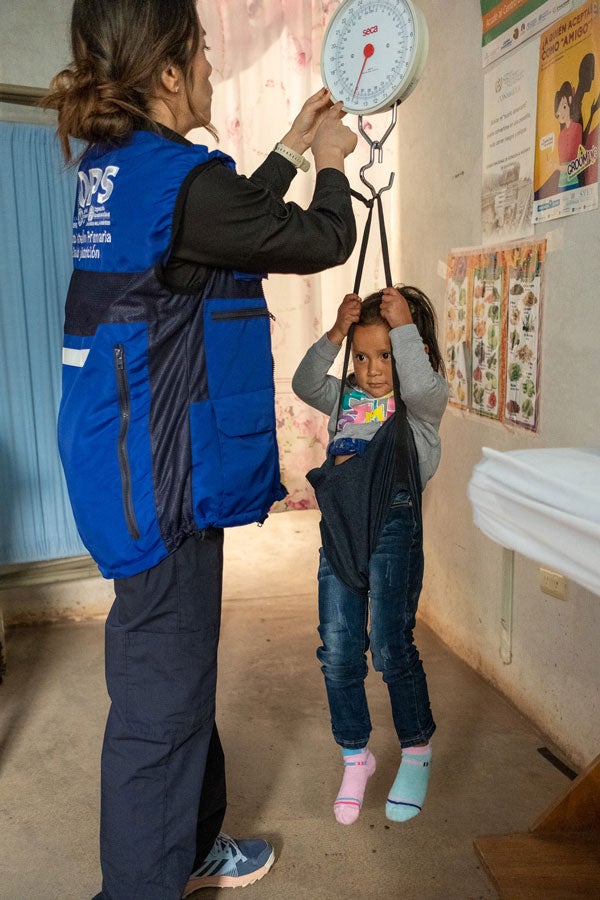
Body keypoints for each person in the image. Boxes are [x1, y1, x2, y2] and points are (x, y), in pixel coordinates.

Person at [44, 0, 357, 897]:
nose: (215, 69)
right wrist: (332, 164)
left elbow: (224, 217)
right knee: (158, 706)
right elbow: (314, 236)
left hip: (133, 457)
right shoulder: (180, 183)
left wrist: (294, 143)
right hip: (158, 473)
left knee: (177, 671)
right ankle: (140, 882)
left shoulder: (122, 169)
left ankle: (188, 847)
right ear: (170, 73)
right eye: (204, 52)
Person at [292, 285, 448, 825]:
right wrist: (337, 331)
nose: (374, 369)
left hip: (391, 526)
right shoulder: (343, 399)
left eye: (386, 356)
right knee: (338, 651)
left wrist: (403, 329)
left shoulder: (418, 408)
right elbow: (303, 381)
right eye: (362, 356)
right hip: (339, 528)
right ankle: (356, 756)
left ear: (407, 352)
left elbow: (425, 388)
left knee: (388, 643)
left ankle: (416, 748)